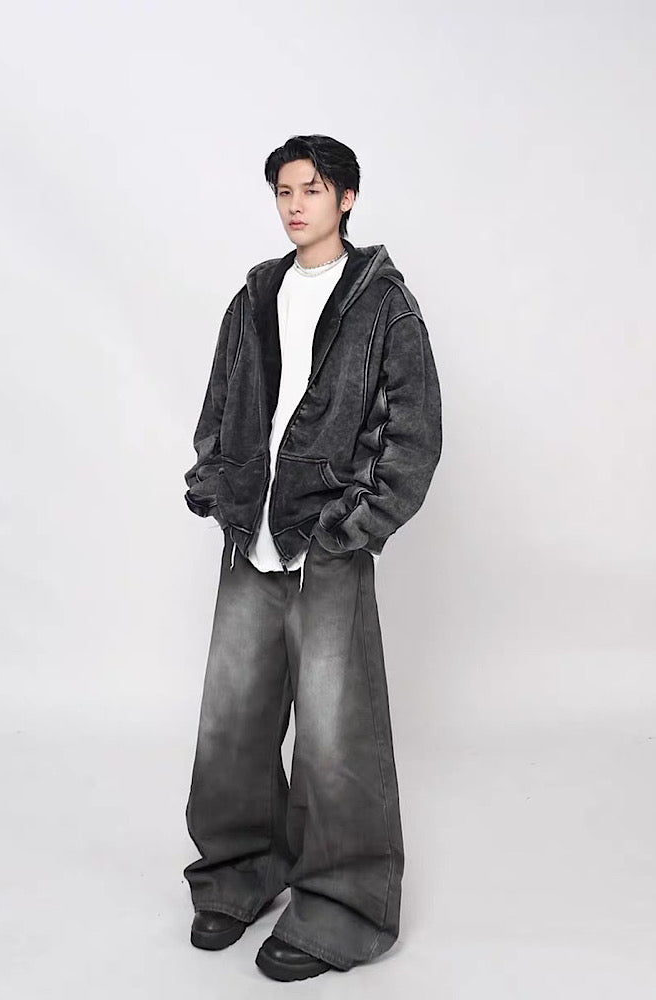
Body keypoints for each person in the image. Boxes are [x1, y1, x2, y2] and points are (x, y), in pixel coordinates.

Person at [182, 134, 442, 981]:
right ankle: (239, 873)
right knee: (232, 723)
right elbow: (221, 404)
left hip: (325, 545)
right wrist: (217, 484)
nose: (295, 205)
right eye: (284, 191)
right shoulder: (255, 295)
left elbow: (415, 435)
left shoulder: (383, 304)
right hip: (249, 541)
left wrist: (352, 527)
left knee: (336, 738)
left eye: (312, 190)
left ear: (347, 199)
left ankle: (343, 909)